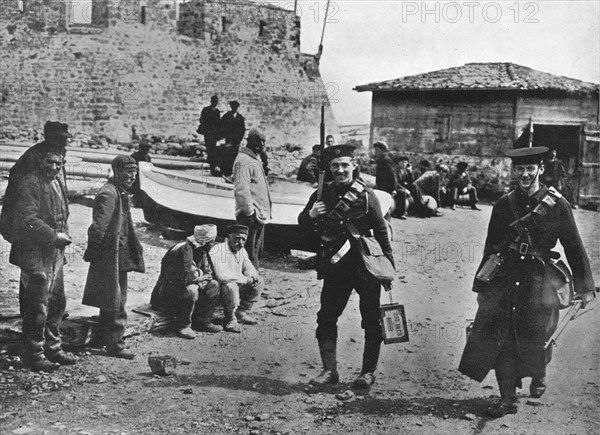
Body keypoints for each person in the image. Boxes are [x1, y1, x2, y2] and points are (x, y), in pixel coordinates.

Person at [459, 146, 596, 418]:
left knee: (536, 333)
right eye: (520, 169)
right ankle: (507, 398)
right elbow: (491, 247)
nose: (524, 174)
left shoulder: (558, 205)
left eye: (530, 169)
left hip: (539, 278)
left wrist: (585, 287)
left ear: (540, 170)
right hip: (506, 277)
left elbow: (573, 245)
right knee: (502, 334)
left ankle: (539, 372)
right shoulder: (503, 205)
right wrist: (482, 283)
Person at [298, 144, 395, 389]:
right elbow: (303, 224)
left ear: (354, 166)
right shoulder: (321, 193)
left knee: (372, 320)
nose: (340, 170)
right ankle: (330, 371)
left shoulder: (366, 195)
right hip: (337, 267)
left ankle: (367, 373)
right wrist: (311, 214)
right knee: (327, 317)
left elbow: (382, 231)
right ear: (329, 169)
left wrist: (389, 267)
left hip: (366, 266)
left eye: (344, 165)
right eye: (335, 166)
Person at [9, 149, 76, 372]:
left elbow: (61, 215)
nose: (55, 167)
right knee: (37, 306)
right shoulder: (30, 184)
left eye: (59, 163)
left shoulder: (56, 182)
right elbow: (28, 218)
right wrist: (54, 236)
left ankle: (53, 348)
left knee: (57, 302)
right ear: (41, 161)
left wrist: (61, 239)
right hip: (34, 253)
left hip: (54, 254)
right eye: (50, 162)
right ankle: (34, 353)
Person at [82, 155, 145, 359]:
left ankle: (103, 338)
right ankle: (115, 344)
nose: (132, 176)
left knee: (111, 297)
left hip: (119, 253)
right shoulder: (109, 194)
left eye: (134, 173)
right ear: (116, 172)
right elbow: (98, 227)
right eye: (128, 172)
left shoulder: (118, 191)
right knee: (118, 299)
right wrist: (93, 251)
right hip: (111, 255)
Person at [0, 121, 71, 243]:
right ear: (51, 138)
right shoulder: (34, 157)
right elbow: (23, 191)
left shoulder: (56, 154)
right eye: (61, 138)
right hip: (35, 215)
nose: (65, 143)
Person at [150, 224, 221, 338]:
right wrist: (200, 278)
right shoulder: (183, 249)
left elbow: (208, 272)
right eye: (212, 241)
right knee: (191, 290)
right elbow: (188, 277)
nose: (213, 244)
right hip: (168, 294)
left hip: (187, 286)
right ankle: (183, 326)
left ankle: (202, 321)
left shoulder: (202, 250)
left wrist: (202, 278)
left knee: (214, 285)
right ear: (206, 241)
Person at [208, 225, 262, 333]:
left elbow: (249, 266)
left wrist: (252, 277)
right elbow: (222, 277)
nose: (241, 242)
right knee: (230, 286)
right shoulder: (218, 250)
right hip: (217, 289)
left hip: (237, 282)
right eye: (237, 238)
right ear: (228, 238)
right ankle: (230, 319)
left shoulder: (241, 250)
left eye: (244, 239)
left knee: (259, 281)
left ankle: (241, 312)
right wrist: (246, 280)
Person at [233, 127, 272, 269]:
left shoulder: (255, 159)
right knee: (248, 253)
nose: (262, 144)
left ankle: (253, 284)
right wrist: (250, 212)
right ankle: (248, 286)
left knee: (255, 252)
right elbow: (241, 190)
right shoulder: (243, 160)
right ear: (249, 141)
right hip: (249, 216)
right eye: (258, 141)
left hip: (258, 215)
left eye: (263, 141)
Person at [219, 100, 246, 177]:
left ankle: (233, 173)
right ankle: (226, 172)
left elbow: (242, 130)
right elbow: (222, 127)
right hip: (229, 139)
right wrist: (225, 136)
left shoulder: (240, 118)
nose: (234, 108)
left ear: (237, 107)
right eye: (232, 106)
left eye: (235, 107)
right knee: (227, 155)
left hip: (236, 141)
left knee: (235, 156)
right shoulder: (226, 116)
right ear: (231, 107)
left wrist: (239, 139)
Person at [198, 95, 222, 176]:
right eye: (214, 101)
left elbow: (219, 123)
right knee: (210, 149)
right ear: (211, 101)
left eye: (216, 102)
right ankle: (212, 166)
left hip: (214, 135)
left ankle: (212, 167)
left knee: (213, 150)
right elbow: (202, 119)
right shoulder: (206, 110)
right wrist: (207, 128)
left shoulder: (217, 112)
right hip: (208, 133)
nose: (215, 103)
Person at [130, 139, 152, 207]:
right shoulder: (134, 156)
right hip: (136, 179)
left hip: (145, 178)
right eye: (145, 149)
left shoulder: (147, 157)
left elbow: (150, 167)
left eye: (148, 149)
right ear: (141, 148)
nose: (147, 151)